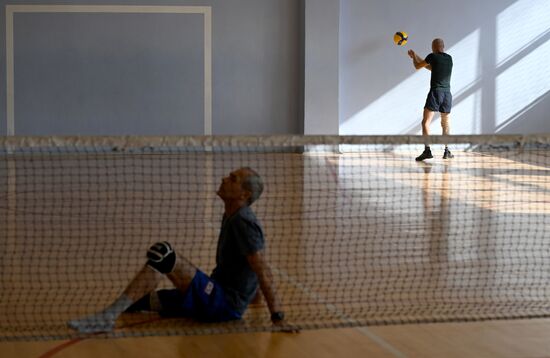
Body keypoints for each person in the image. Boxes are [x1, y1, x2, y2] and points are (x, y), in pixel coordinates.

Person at [68, 167, 293, 333]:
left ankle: (106, 318)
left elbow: (261, 269)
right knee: (137, 302)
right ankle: (111, 313)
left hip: (223, 303)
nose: (225, 178)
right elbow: (247, 266)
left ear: (244, 195)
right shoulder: (230, 214)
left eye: (233, 179)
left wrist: (277, 316)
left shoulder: (243, 222)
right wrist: (254, 300)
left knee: (163, 254)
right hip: (215, 292)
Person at [408, 38, 454, 161]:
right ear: (443, 46)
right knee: (445, 123)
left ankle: (427, 150)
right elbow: (431, 68)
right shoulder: (449, 59)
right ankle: (447, 150)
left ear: (433, 47)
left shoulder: (432, 56)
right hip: (447, 95)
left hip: (436, 93)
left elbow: (418, 66)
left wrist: (413, 58)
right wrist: (416, 55)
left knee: (425, 122)